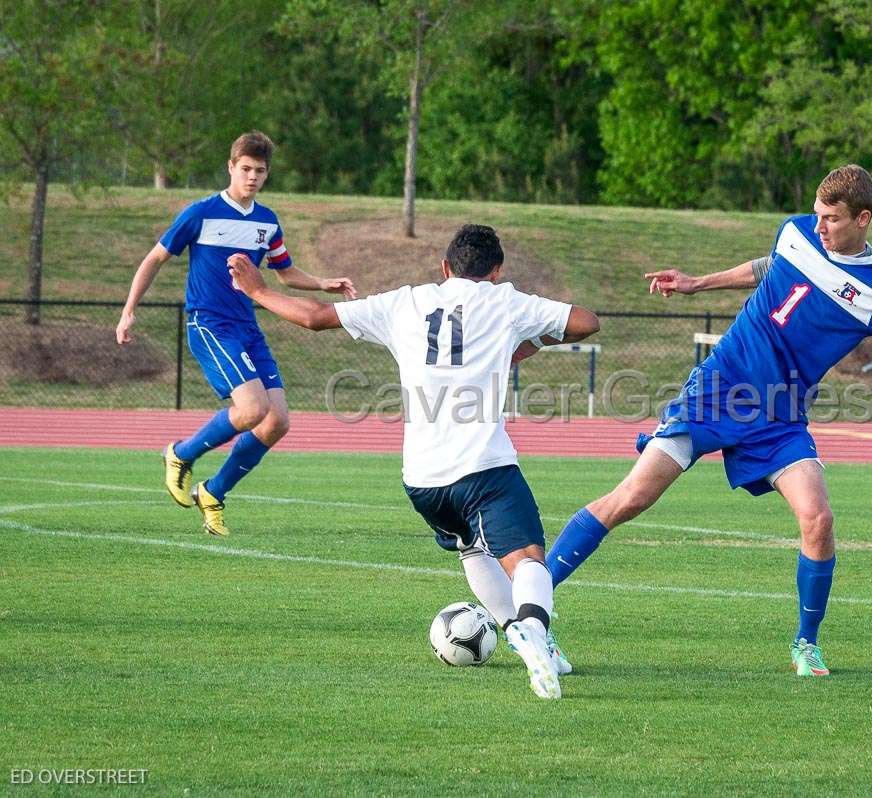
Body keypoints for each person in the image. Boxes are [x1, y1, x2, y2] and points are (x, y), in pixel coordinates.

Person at [545, 165, 872, 676]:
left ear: (864, 219)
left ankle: (806, 645)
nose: (819, 224)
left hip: (780, 418)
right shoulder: (797, 230)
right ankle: (532, 610)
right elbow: (766, 266)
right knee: (630, 498)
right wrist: (698, 284)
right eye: (817, 212)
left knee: (819, 519)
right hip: (718, 389)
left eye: (831, 217)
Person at [228, 223, 599, 700]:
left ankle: (527, 637)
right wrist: (529, 343)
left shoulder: (405, 302)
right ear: (497, 271)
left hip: (422, 479)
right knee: (528, 559)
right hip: (483, 465)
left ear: (445, 269)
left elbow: (315, 317)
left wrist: (258, 290)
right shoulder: (505, 301)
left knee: (472, 548)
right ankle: (532, 631)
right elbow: (587, 321)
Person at [116, 131, 356, 537]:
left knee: (276, 421)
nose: (252, 177)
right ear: (231, 167)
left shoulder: (267, 222)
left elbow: (284, 272)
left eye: (260, 171)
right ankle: (180, 453)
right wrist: (128, 310)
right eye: (245, 169)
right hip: (209, 323)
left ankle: (213, 491)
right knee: (250, 411)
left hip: (247, 327)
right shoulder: (201, 213)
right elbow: (154, 258)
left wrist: (323, 283)